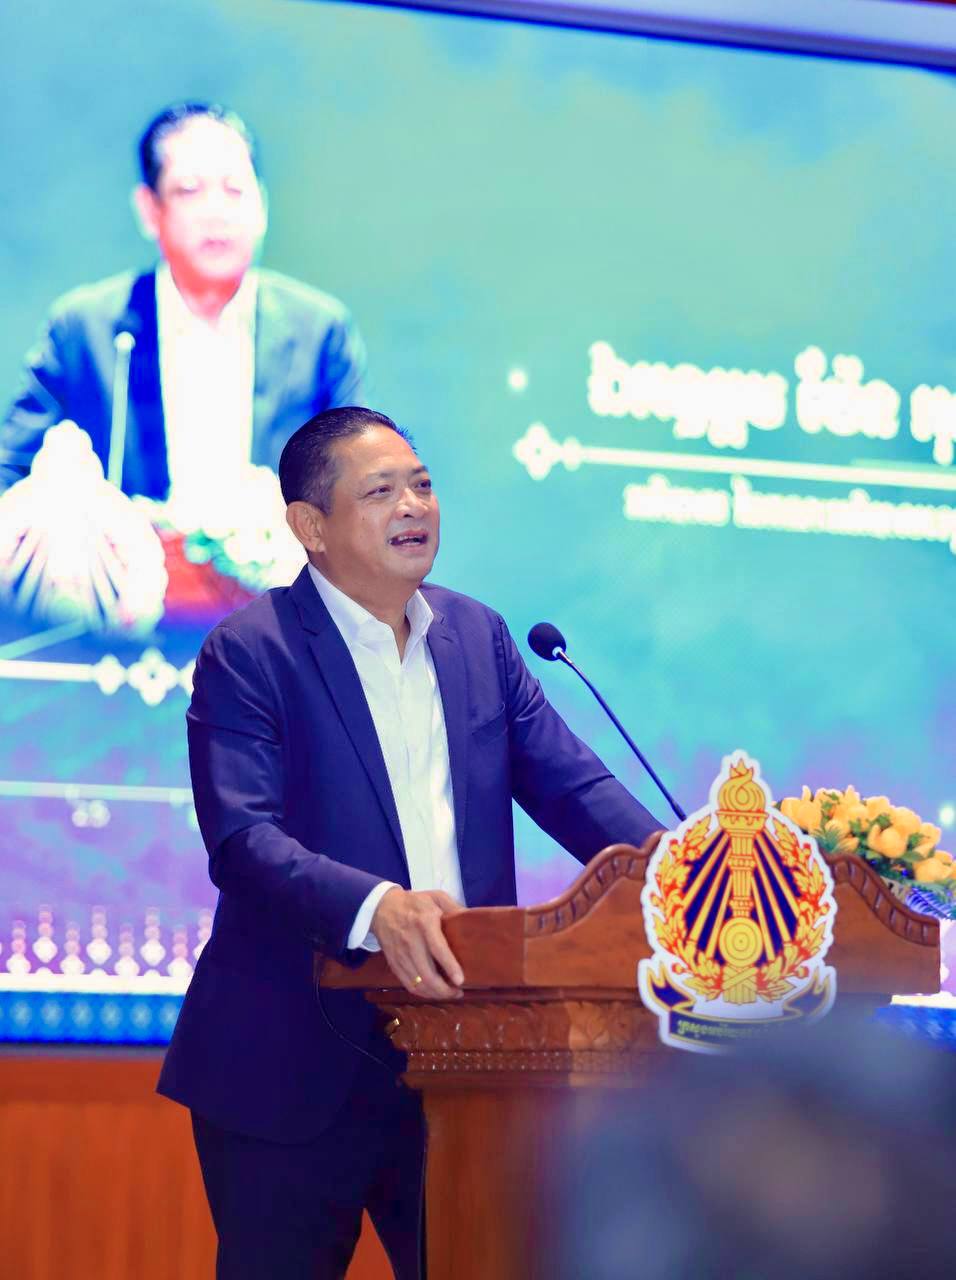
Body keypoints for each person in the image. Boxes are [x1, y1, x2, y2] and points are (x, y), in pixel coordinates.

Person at [157, 406, 663, 1279]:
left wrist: (697, 874)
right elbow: (243, 839)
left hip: (467, 1055)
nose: (413, 507)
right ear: (311, 526)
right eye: (380, 491)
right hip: (289, 1063)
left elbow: (576, 791)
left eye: (422, 486)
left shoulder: (478, 638)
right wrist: (377, 909)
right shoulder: (251, 651)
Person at [0, 102, 365, 502]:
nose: (216, 212)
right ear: (149, 210)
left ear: (261, 204)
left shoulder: (319, 331)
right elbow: (10, 470)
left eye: (234, 189)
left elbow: (360, 487)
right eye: (190, 191)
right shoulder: (84, 329)